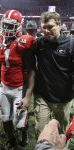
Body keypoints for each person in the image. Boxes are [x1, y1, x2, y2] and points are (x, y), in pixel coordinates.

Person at [0, 10, 36, 149]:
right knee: (5, 118)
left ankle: (24, 133)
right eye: (5, 25)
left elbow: (31, 71)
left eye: (10, 26)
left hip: (19, 88)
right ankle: (12, 142)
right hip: (4, 87)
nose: (6, 29)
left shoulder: (25, 42)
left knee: (19, 122)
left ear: (19, 26)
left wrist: (28, 96)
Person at [33, 11, 74, 142]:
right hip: (42, 96)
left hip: (63, 98)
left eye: (50, 27)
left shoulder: (71, 44)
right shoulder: (39, 43)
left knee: (62, 134)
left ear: (59, 25)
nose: (46, 31)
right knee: (40, 130)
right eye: (43, 27)